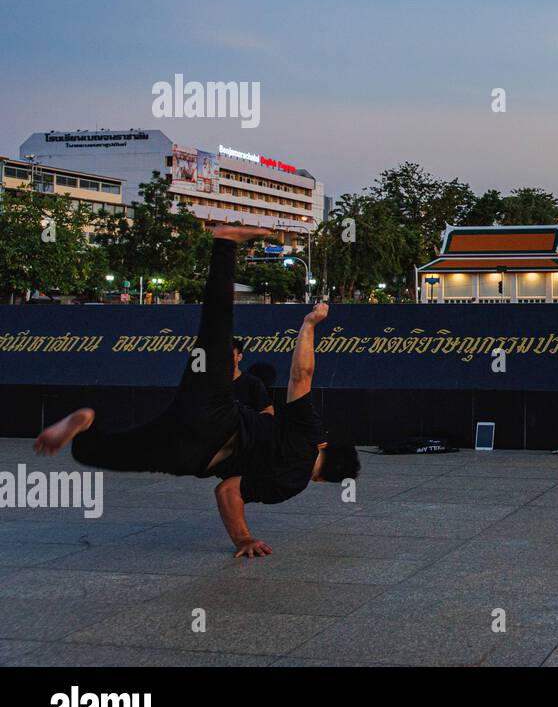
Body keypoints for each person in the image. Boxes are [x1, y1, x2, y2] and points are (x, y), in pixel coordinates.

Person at [33, 225, 360, 558]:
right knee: (98, 454)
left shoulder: (310, 434)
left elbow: (301, 375)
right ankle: (86, 426)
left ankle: (225, 243)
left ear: (326, 445)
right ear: (323, 481)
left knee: (216, 325)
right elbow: (227, 491)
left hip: (214, 412)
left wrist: (309, 325)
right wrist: (244, 539)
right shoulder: (291, 485)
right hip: (188, 453)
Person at [232, 337, 273, 415]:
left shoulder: (253, 383)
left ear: (239, 357)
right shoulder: (211, 384)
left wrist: (247, 421)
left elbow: (268, 411)